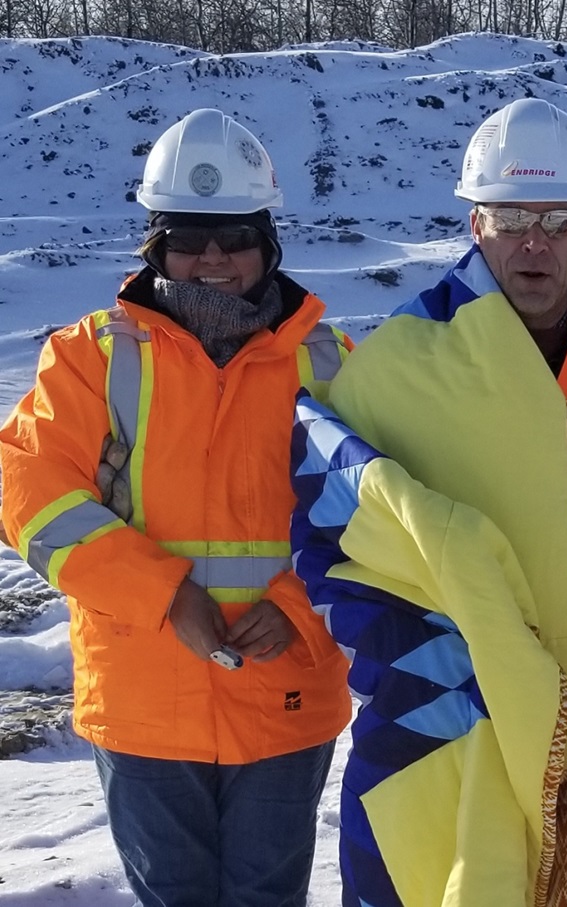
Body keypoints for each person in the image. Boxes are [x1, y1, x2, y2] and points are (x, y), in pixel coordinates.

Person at [289, 97, 567, 906]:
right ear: (475, 224)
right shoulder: (405, 363)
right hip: (466, 703)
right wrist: (444, 641)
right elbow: (343, 521)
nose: (535, 243)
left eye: (560, 220)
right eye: (510, 218)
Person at [0, 108, 352, 907]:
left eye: (234, 235)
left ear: (268, 243)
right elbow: (31, 494)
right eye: (191, 236)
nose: (214, 258)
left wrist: (297, 604)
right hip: (144, 699)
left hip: (285, 693)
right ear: (156, 245)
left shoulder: (330, 363)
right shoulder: (91, 356)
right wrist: (166, 595)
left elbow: (374, 512)